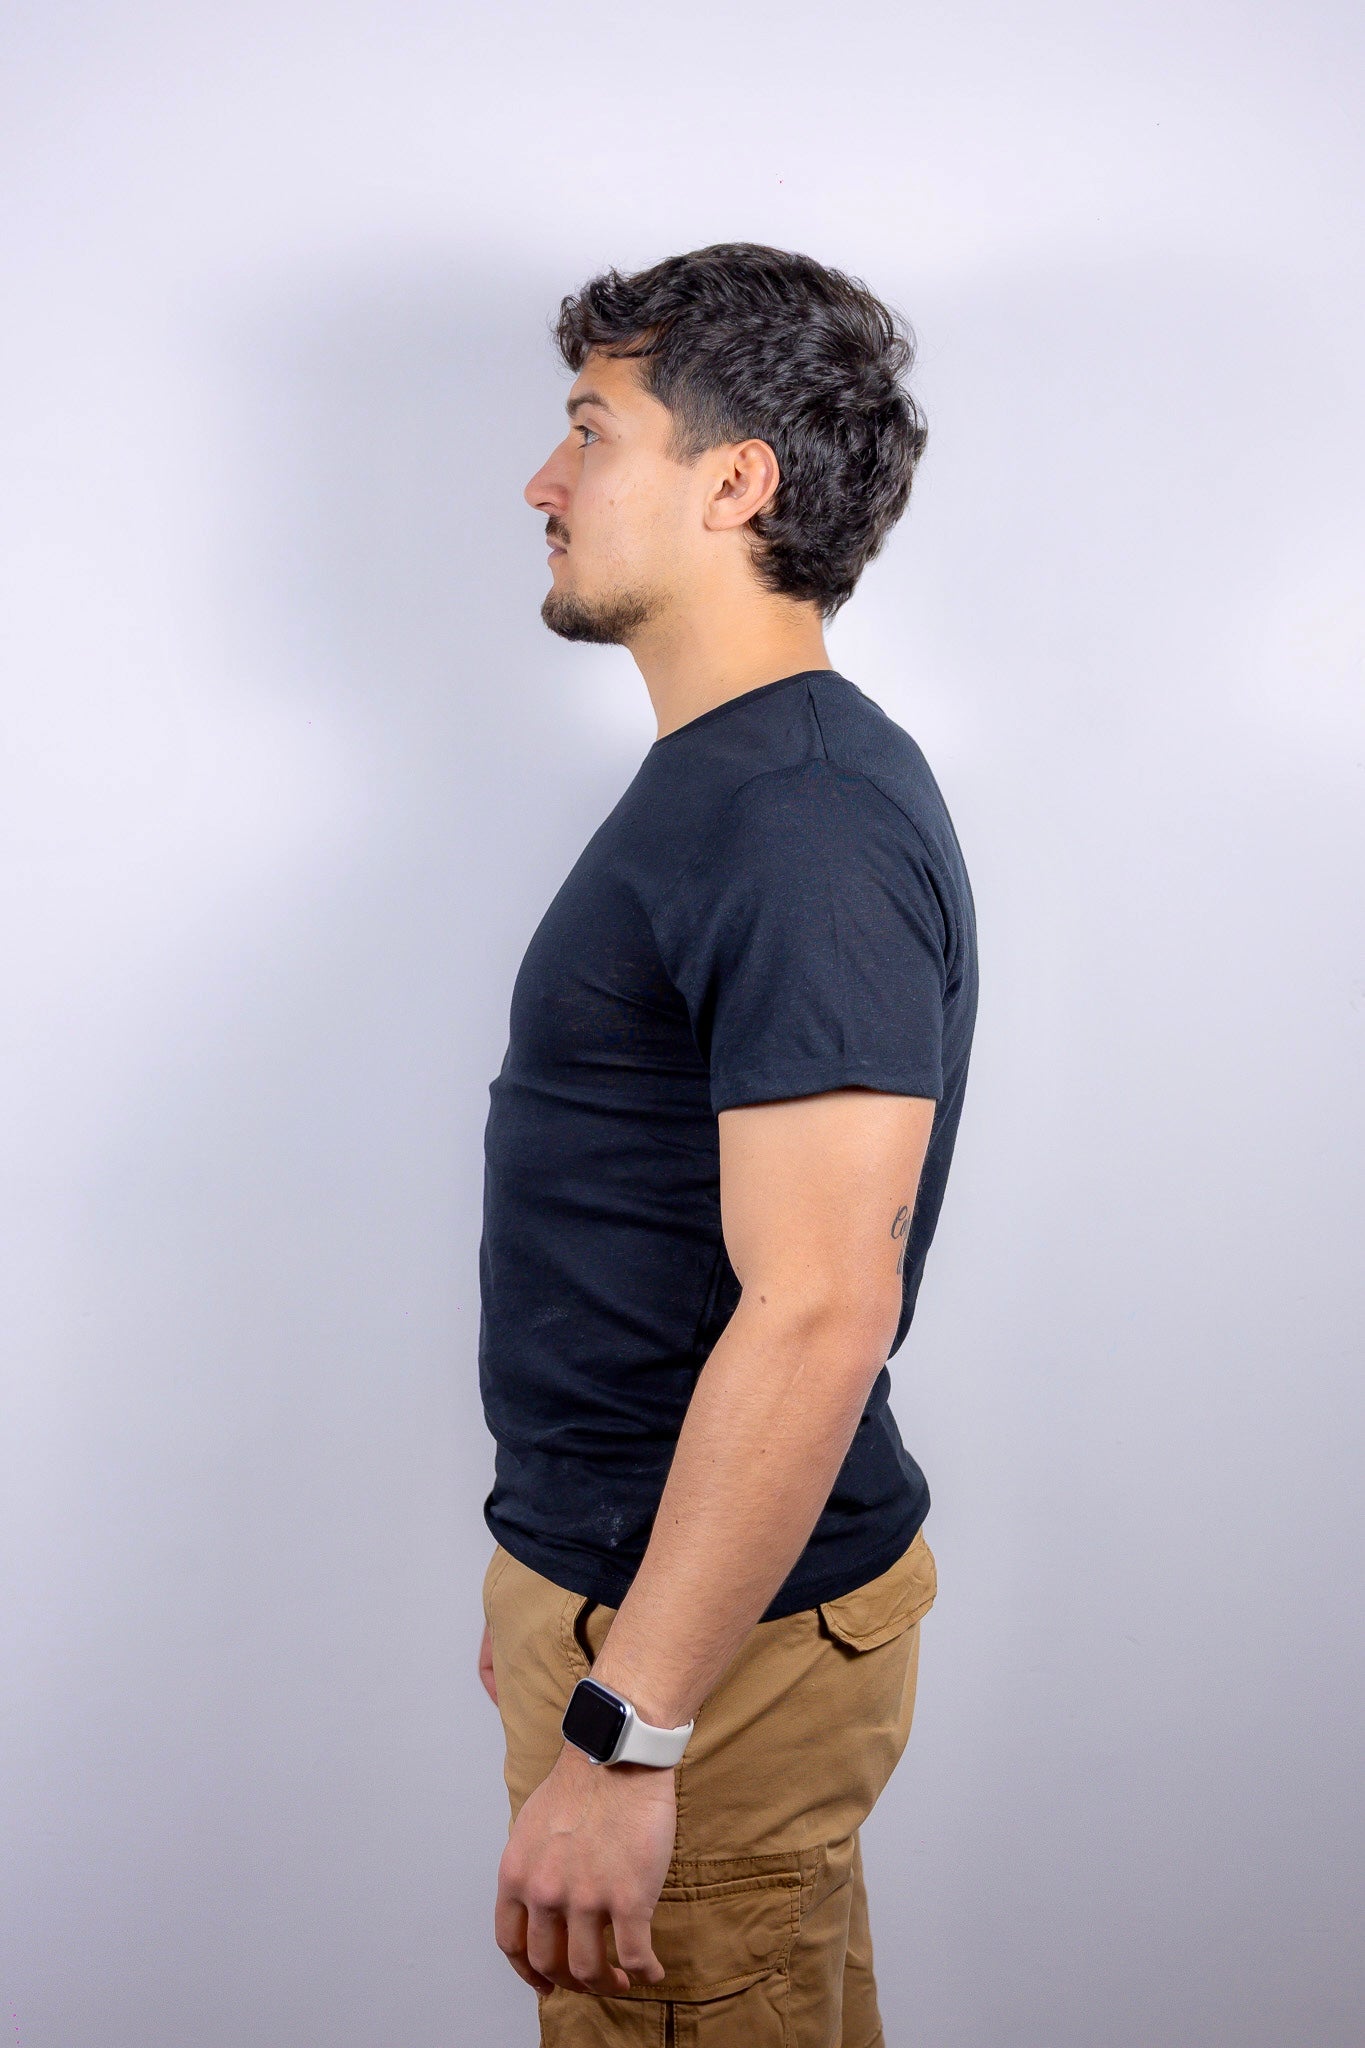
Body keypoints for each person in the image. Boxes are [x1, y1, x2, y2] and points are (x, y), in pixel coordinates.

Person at [475, 242, 978, 2046]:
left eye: (590, 431)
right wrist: (553, 1591)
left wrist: (628, 1725)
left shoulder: (798, 817)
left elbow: (819, 1309)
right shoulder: (735, 781)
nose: (542, 482)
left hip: (709, 1657)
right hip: (647, 1603)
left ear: (734, 481)